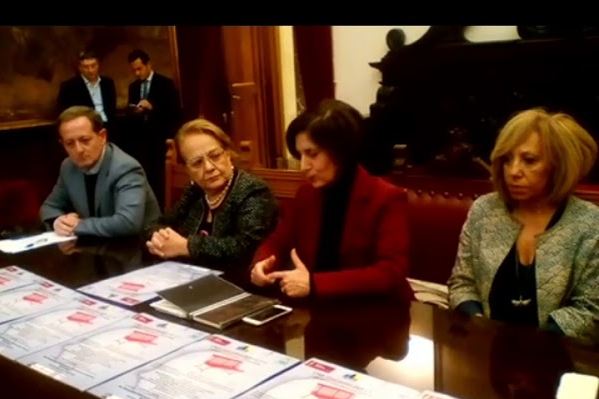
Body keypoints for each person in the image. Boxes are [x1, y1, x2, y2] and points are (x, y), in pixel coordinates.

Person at [448, 108, 599, 344]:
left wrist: (537, 345)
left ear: (558, 165)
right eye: (507, 160)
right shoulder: (484, 210)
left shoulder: (590, 223)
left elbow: (590, 310)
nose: (513, 171)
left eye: (529, 160)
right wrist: (479, 324)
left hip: (559, 355)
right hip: (487, 348)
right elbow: (462, 283)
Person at [250, 99, 413, 301]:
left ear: (341, 152)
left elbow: (390, 272)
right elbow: (278, 241)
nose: (303, 166)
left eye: (312, 154)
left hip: (377, 309)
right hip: (319, 305)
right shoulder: (307, 194)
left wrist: (315, 283)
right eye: (300, 155)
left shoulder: (386, 197)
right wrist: (262, 264)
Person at [144, 118, 278, 271]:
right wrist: (158, 239)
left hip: (236, 280)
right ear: (187, 170)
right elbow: (156, 225)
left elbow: (245, 249)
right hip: (191, 276)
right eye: (197, 163)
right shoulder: (194, 191)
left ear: (227, 154)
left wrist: (187, 246)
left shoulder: (254, 191)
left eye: (215, 156)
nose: (209, 167)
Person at [40, 106, 161, 238]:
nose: (78, 150)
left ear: (102, 136)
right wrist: (58, 221)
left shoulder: (126, 168)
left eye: (85, 140)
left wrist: (77, 225)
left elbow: (128, 222)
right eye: (70, 143)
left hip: (140, 245)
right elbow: (49, 207)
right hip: (97, 244)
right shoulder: (68, 167)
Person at [127, 48, 182, 207]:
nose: (137, 73)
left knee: (162, 177)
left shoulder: (165, 83)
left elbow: (174, 112)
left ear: (148, 65)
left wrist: (152, 107)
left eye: (139, 69)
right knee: (146, 176)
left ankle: (165, 206)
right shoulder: (133, 87)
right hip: (142, 141)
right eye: (134, 70)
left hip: (161, 138)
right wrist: (135, 111)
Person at [57, 50, 117, 136]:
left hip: (108, 126)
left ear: (98, 65)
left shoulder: (108, 83)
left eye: (93, 66)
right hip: (83, 129)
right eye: (86, 67)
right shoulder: (69, 86)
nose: (90, 70)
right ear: (80, 68)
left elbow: (112, 109)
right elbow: (65, 113)